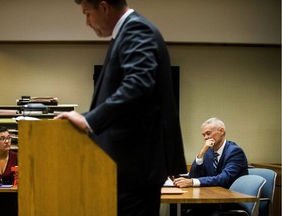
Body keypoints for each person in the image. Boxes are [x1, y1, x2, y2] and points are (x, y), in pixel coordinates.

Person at [54, 0, 187, 215]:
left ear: (104, 7)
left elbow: (138, 84)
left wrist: (89, 120)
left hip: (134, 170)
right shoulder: (128, 31)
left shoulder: (136, 29)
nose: (87, 22)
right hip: (129, 169)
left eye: (87, 13)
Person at [173, 117, 248, 215]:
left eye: (208, 133)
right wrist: (202, 152)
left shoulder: (234, 152)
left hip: (230, 202)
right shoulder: (209, 151)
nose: (205, 138)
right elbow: (193, 175)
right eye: (203, 135)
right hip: (213, 199)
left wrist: (192, 182)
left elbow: (223, 178)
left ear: (221, 131)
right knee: (188, 209)